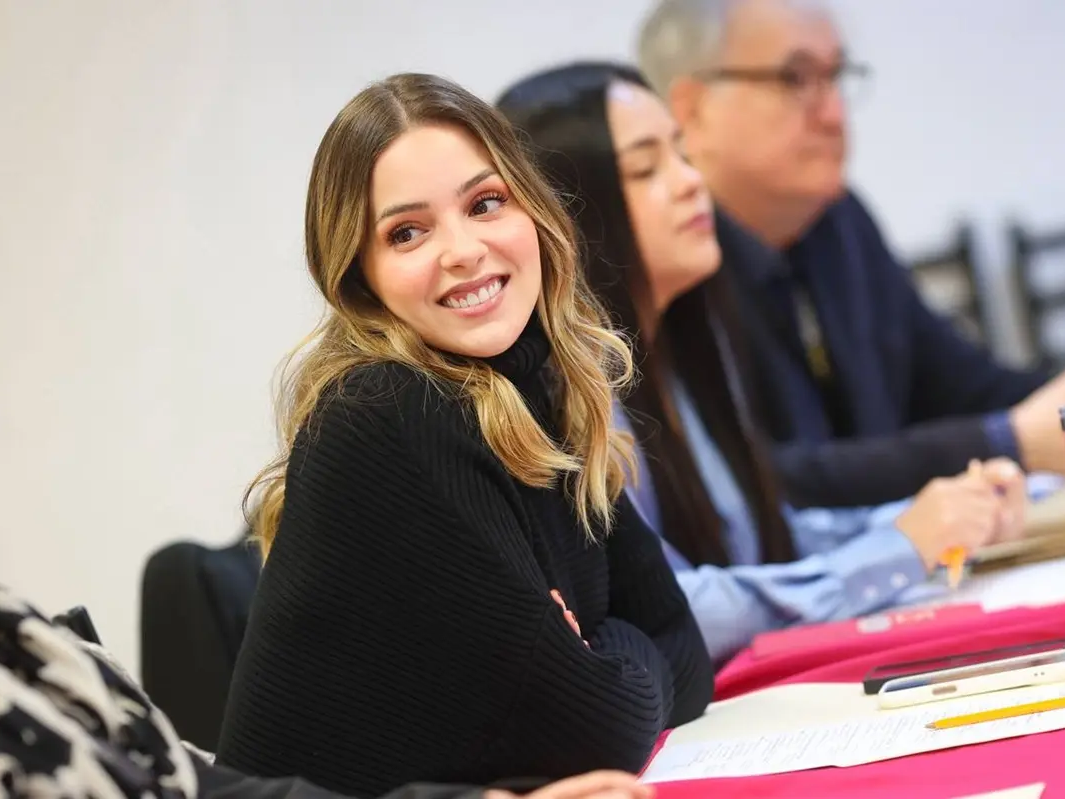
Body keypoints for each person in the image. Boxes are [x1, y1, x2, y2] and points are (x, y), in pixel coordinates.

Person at [215, 74, 712, 798]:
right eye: (407, 232)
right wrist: (610, 655)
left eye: (486, 204)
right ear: (361, 278)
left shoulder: (535, 387)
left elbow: (686, 650)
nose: (463, 250)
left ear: (533, 212)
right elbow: (603, 731)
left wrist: (598, 652)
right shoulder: (386, 414)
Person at [0, 337, 653, 799]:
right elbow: (604, 717)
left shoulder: (4, 634)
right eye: (409, 230)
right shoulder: (386, 415)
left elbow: (205, 788)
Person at [494, 62, 1026, 667]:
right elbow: (671, 607)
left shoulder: (684, 343)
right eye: (645, 169)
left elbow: (753, 539)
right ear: (565, 214)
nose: (691, 183)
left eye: (682, 155)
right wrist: (900, 549)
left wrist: (942, 517)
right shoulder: (567, 387)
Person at [634, 0, 1065, 508]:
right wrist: (1009, 440)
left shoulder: (836, 221)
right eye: (796, 79)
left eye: (836, 76)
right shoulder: (667, 267)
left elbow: (960, 387)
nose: (833, 114)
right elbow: (757, 485)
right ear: (692, 111)